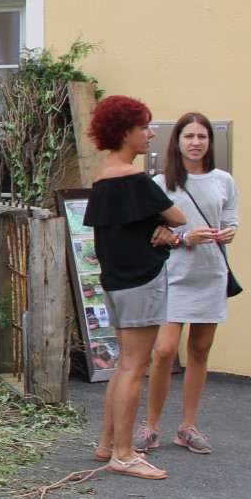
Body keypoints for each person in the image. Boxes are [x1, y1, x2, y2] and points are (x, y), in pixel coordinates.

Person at [84, 96, 189, 478]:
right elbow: (178, 216)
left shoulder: (103, 174)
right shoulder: (133, 178)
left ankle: (108, 443)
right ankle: (125, 455)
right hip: (141, 279)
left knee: (123, 365)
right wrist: (167, 233)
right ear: (125, 131)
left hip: (115, 281)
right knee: (134, 366)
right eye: (144, 127)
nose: (150, 133)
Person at [137, 113, 239, 455]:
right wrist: (184, 238)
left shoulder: (223, 180)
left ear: (210, 141)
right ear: (177, 141)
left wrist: (228, 233)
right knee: (164, 351)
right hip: (174, 275)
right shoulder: (161, 183)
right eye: (189, 136)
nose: (196, 142)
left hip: (211, 274)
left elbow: (231, 222)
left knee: (200, 351)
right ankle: (150, 426)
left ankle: (188, 426)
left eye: (202, 136)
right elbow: (151, 235)